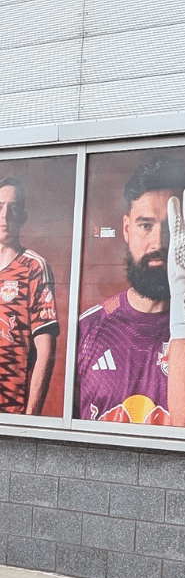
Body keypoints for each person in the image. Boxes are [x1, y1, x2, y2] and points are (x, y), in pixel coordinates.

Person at [76, 155, 185, 427]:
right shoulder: (89, 326)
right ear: (127, 228)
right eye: (145, 225)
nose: (158, 242)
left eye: (171, 227)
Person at [0, 177, 59, 415]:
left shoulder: (34, 267)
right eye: (0, 206)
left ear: (22, 216)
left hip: (11, 412)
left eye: (12, 208)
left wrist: (31, 419)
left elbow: (46, 351)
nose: (5, 216)